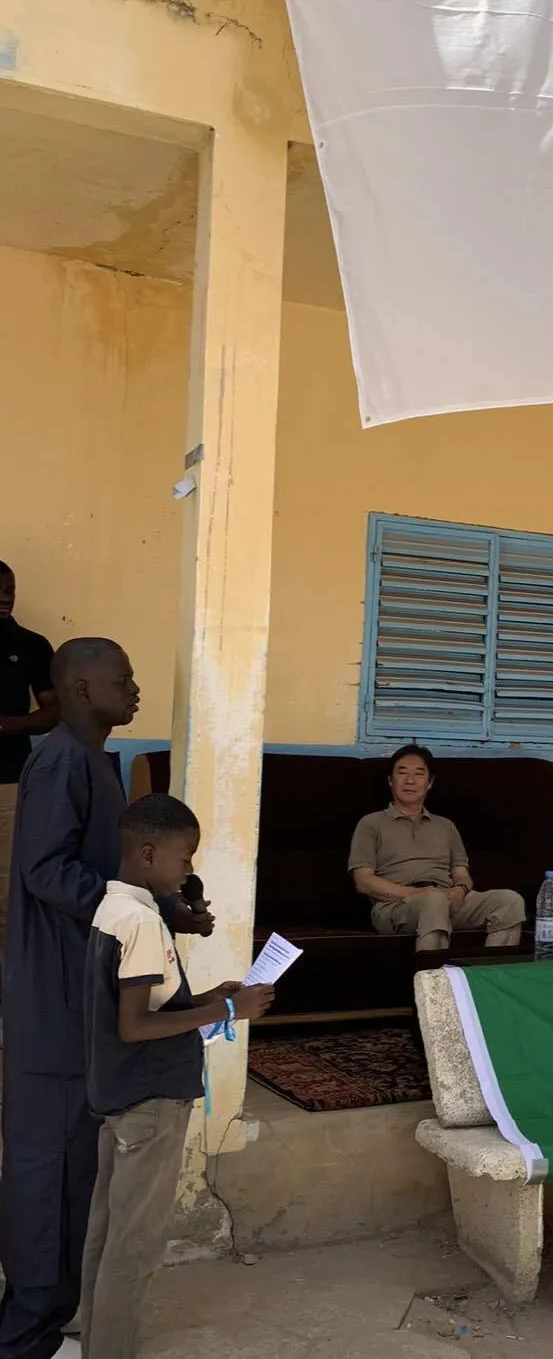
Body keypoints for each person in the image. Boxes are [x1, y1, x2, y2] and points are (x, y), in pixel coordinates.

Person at [0, 639, 213, 1359]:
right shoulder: (61, 760)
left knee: (74, 1172)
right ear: (83, 688)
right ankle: (26, 1328)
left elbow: (110, 877)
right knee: (44, 1169)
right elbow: (47, 871)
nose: (135, 688)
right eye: (123, 679)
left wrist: (170, 909)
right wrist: (143, 913)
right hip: (54, 1002)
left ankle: (57, 1315)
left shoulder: (94, 761)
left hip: (83, 998)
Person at [80, 793, 273, 1359]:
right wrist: (229, 1010)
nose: (189, 871)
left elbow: (152, 1005)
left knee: (106, 1232)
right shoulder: (142, 922)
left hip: (121, 1094)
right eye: (185, 858)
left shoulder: (114, 909)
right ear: (148, 853)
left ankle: (94, 1340)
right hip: (151, 1099)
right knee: (135, 1245)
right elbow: (135, 1025)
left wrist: (210, 997)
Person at [349, 744, 525, 952]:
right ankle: (432, 974)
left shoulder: (446, 826)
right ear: (390, 780)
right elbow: (363, 881)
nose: (410, 781)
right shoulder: (371, 823)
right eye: (402, 773)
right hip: (396, 907)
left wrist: (460, 890)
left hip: (445, 898)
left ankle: (488, 972)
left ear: (430, 783)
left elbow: (461, 874)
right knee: (434, 901)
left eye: (419, 774)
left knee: (509, 901)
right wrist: (419, 893)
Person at [0, 562, 59, 942]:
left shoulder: (31, 645)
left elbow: (55, 710)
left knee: (7, 887)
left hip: (9, 781)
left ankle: (9, 975)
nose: (5, 597)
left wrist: (8, 725)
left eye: (10, 590)